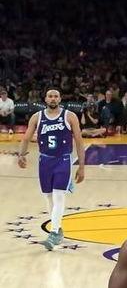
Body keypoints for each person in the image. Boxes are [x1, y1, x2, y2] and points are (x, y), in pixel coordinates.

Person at [17, 89, 85, 250]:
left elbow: (79, 141)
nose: (53, 99)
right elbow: (26, 138)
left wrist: (82, 166)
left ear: (60, 99)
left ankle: (53, 233)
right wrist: (21, 155)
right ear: (45, 99)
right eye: (50, 96)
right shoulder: (37, 117)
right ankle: (58, 229)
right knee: (48, 197)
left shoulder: (69, 116)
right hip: (45, 161)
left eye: (56, 96)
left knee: (58, 195)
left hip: (63, 160)